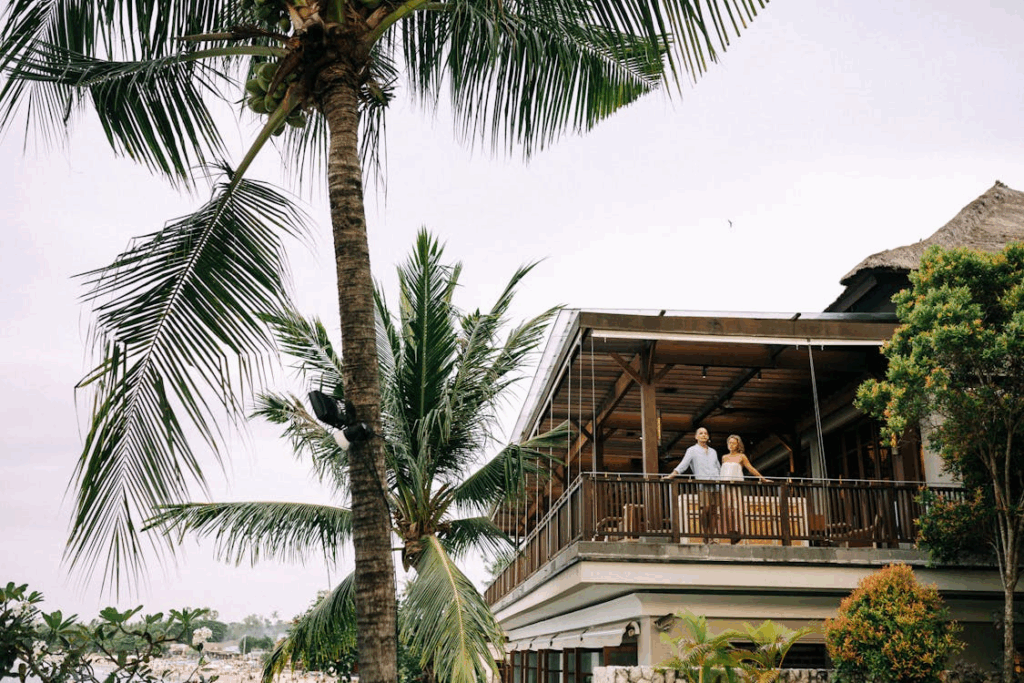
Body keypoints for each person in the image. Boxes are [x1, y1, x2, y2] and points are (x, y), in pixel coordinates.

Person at [664, 427, 720, 542]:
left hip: (716, 483)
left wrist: (722, 483)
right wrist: (671, 475)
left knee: (714, 511)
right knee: (705, 508)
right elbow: (683, 465)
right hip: (702, 483)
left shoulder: (713, 451)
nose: (704, 435)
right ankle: (706, 534)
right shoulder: (692, 450)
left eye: (705, 433)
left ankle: (712, 536)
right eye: (701, 433)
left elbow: (718, 468)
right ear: (696, 437)